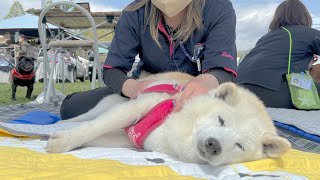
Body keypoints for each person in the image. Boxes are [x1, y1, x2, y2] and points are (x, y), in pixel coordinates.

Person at [60, 0, 237, 119]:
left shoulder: (218, 8)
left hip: (195, 96)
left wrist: (205, 82)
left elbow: (222, 69)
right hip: (145, 89)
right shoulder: (134, 13)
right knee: (70, 108)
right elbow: (112, 69)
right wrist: (133, 88)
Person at [236, 0, 320, 109]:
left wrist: (305, 63)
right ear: (305, 16)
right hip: (269, 91)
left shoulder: (266, 37)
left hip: (238, 90)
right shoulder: (309, 33)